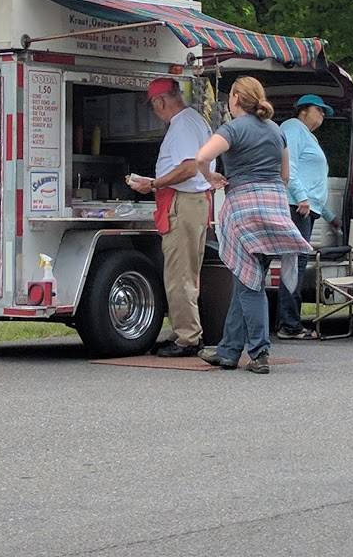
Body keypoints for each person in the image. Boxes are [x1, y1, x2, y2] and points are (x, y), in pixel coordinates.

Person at [195, 76, 311, 374]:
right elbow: (285, 176)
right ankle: (229, 351)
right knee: (246, 278)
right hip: (275, 209)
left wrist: (211, 177)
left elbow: (202, 157)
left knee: (250, 284)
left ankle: (260, 352)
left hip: (244, 210)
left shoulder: (232, 129)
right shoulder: (276, 131)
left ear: (235, 98)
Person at [128, 78, 213, 357]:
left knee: (179, 274)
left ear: (160, 101)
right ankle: (188, 330)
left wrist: (154, 183)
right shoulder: (195, 121)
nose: (155, 112)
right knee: (188, 273)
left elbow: (189, 167)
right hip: (195, 202)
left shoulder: (182, 126)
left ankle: (187, 338)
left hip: (184, 203)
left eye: (154, 106)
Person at [276, 94, 340, 341]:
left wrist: (330, 215)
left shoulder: (308, 135)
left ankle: (288, 320)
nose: (322, 115)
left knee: (297, 263)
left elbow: (314, 182)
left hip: (306, 207)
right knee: (294, 263)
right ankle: (289, 325)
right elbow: (288, 166)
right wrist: (301, 197)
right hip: (296, 206)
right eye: (319, 110)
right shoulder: (293, 128)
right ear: (303, 111)